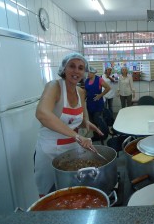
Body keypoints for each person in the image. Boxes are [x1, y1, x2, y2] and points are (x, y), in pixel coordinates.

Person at [34, 53, 103, 197]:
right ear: (64, 68)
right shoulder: (54, 87)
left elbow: (80, 118)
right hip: (50, 150)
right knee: (50, 194)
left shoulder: (81, 92)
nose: (76, 71)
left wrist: (87, 123)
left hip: (72, 149)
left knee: (72, 190)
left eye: (80, 68)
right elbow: (42, 114)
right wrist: (77, 136)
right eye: (72, 66)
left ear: (84, 72)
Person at [85, 66, 111, 141]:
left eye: (89, 72)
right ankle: (96, 136)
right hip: (89, 103)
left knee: (98, 120)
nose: (88, 74)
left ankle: (105, 134)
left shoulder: (99, 79)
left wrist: (100, 95)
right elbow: (86, 91)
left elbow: (108, 87)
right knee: (92, 121)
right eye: (87, 72)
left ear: (93, 73)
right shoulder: (87, 80)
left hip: (97, 103)